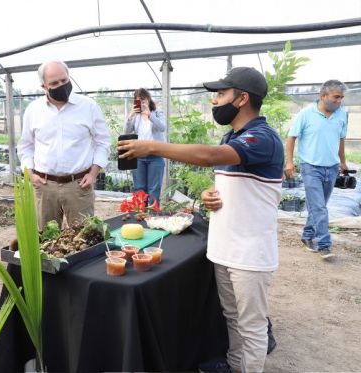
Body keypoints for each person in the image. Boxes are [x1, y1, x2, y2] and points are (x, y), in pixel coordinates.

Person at [118, 67, 283, 373]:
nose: (215, 101)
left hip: (249, 253)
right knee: (232, 318)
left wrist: (151, 146)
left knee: (251, 325)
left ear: (242, 98)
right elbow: (236, 180)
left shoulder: (263, 138)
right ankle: (236, 366)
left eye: (221, 94)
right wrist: (211, 192)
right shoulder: (232, 135)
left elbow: (209, 156)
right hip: (225, 247)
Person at [17, 61, 111, 229]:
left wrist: (93, 173)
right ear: (44, 86)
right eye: (54, 83)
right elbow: (25, 146)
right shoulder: (33, 110)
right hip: (45, 186)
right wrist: (30, 173)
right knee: (45, 238)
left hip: (79, 184)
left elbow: (103, 142)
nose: (61, 85)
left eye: (64, 80)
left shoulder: (88, 106)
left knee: (84, 238)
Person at [285, 80, 348, 260]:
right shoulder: (305, 114)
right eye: (336, 97)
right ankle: (324, 245)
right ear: (323, 96)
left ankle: (307, 236)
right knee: (319, 207)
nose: (339, 101)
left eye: (341, 98)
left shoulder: (342, 115)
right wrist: (289, 162)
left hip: (332, 167)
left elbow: (341, 139)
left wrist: (343, 163)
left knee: (319, 207)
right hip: (311, 167)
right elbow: (291, 138)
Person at [123, 88, 166, 206]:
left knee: (154, 190)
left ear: (148, 99)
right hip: (139, 156)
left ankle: (153, 217)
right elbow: (126, 132)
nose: (141, 103)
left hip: (155, 156)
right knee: (139, 189)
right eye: (137, 101)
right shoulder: (136, 116)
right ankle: (140, 215)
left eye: (143, 100)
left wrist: (150, 115)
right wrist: (130, 116)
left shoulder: (157, 113)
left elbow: (163, 128)